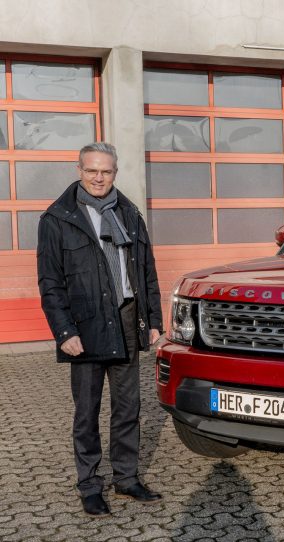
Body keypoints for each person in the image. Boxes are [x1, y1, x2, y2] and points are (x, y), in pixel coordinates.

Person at [37, 142, 164, 517]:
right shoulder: (57, 219)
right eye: (92, 170)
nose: (98, 177)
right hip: (85, 327)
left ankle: (126, 479)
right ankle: (90, 485)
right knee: (87, 413)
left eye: (105, 171)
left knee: (128, 409)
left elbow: (146, 271)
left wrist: (154, 319)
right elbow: (50, 282)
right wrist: (64, 332)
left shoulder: (129, 212)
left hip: (126, 320)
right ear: (79, 169)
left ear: (114, 173)